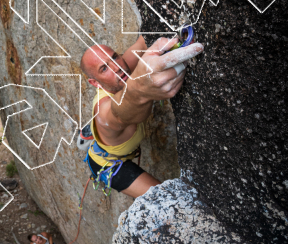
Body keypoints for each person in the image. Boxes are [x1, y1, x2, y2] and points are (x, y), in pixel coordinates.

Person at [79, 34, 204, 198]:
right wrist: (138, 90)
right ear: (95, 83)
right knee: (169, 200)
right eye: (104, 68)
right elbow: (118, 114)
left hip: (115, 143)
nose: (116, 67)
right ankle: (96, 135)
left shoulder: (123, 68)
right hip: (108, 164)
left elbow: (144, 40)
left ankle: (94, 135)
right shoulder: (104, 112)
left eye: (115, 57)